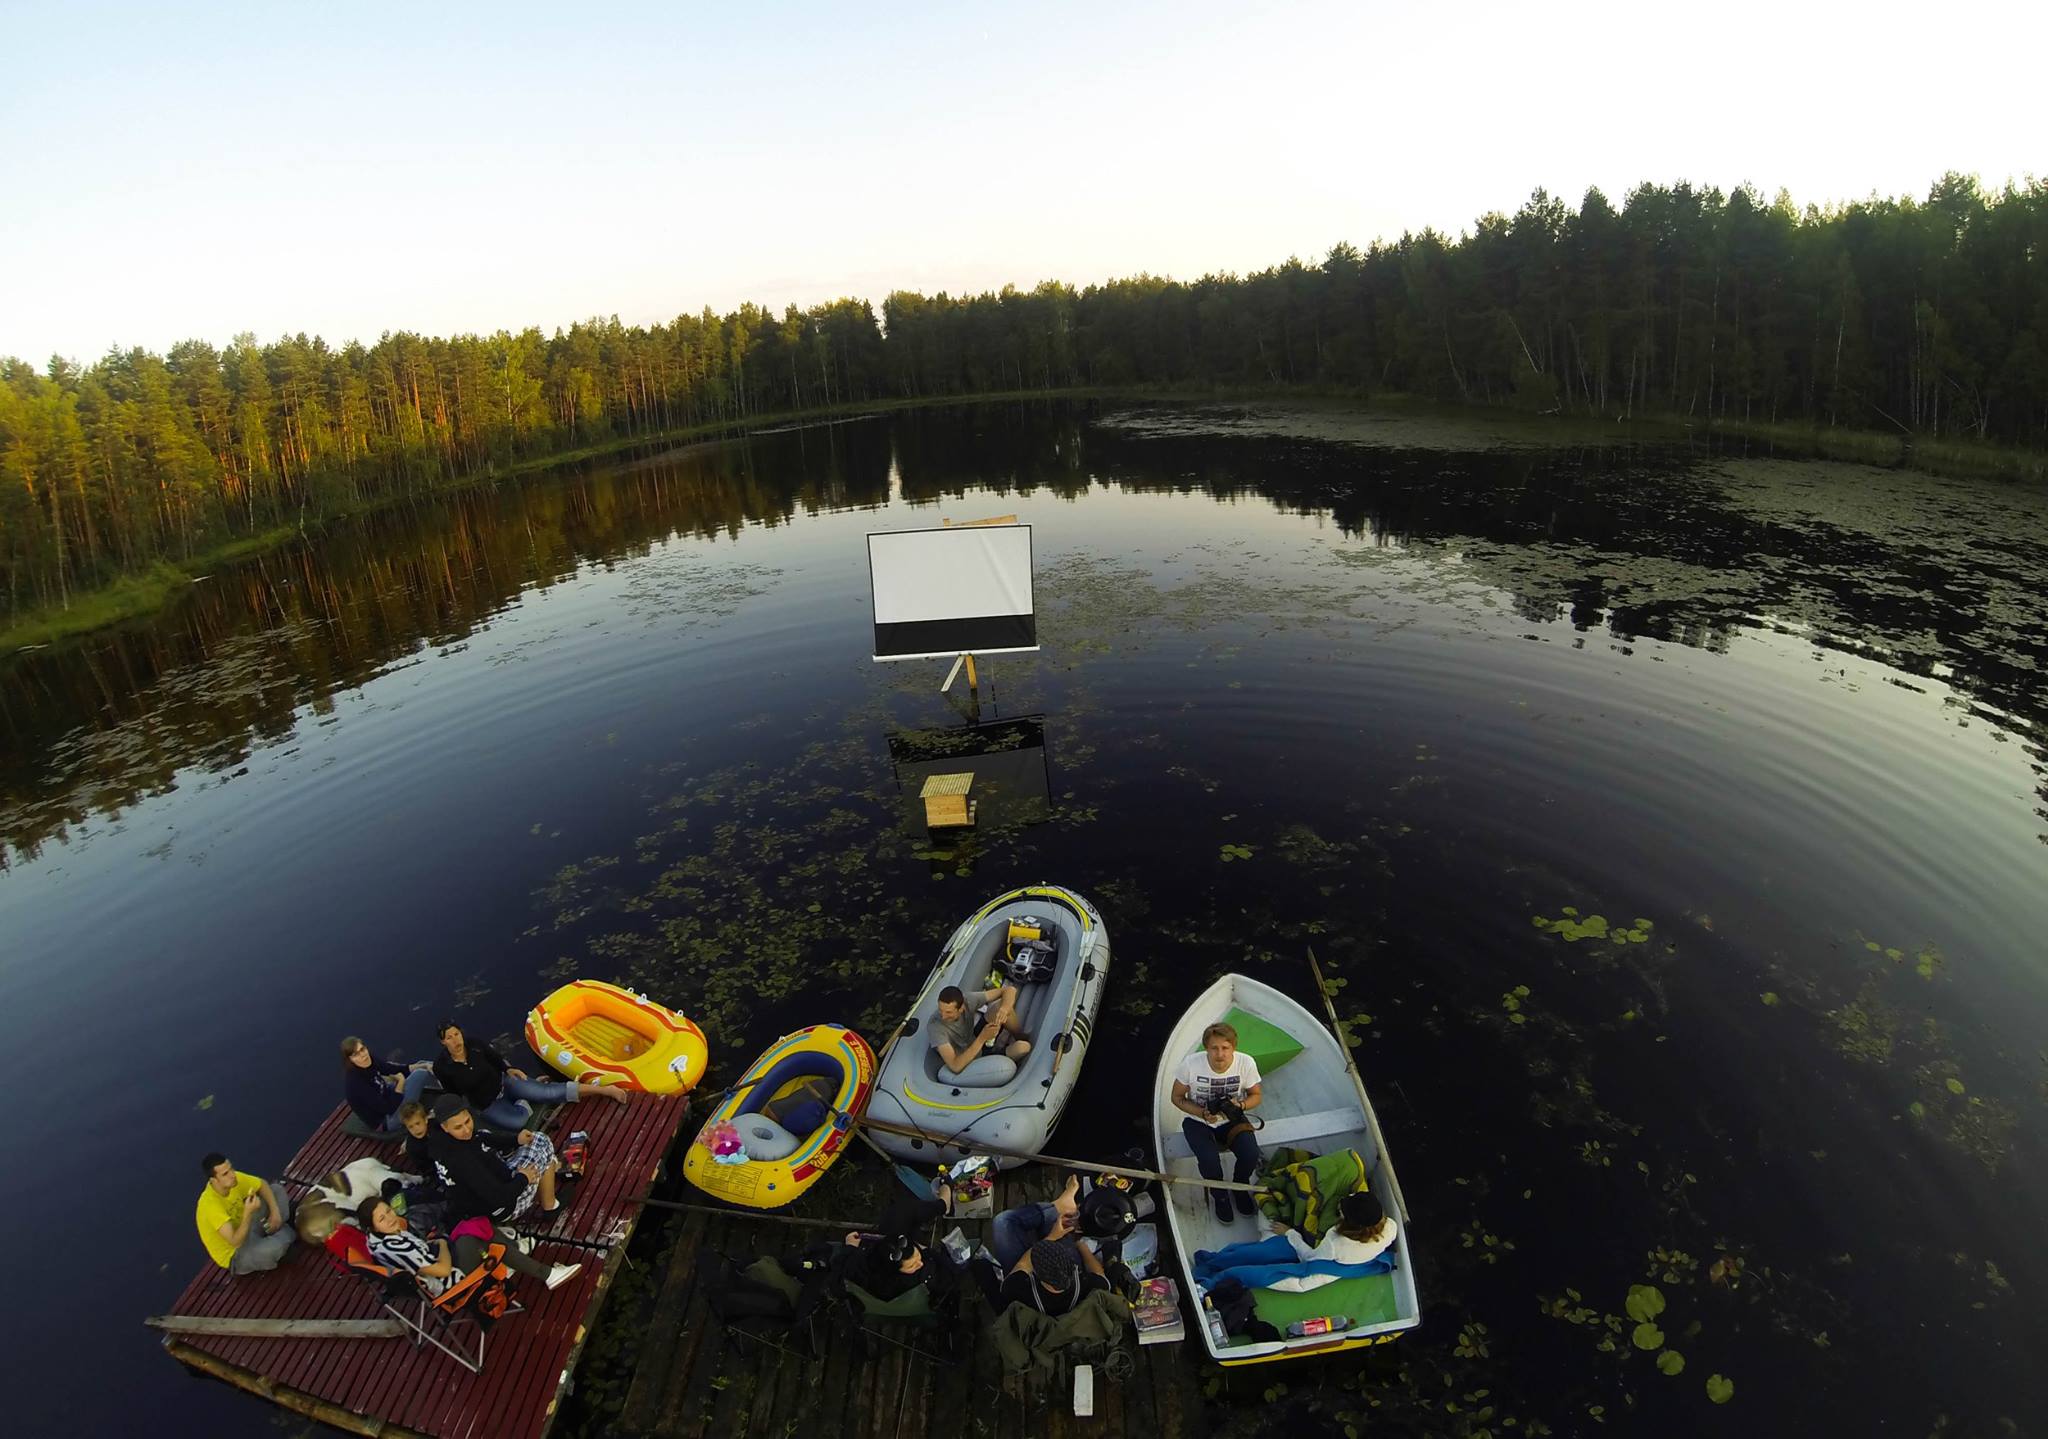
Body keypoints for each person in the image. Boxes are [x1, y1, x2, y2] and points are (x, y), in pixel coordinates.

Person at [432, 1020, 626, 1134]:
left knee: (549, 1092)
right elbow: (451, 1094)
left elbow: (495, 1058)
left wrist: (509, 1070)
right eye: (449, 1038)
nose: (456, 1040)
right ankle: (523, 1101)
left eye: (457, 1034)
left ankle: (605, 1090)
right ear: (442, 1042)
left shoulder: (474, 1044)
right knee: (517, 1123)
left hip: (503, 1083)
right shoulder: (442, 1067)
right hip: (487, 1104)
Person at [357, 1196, 581, 1293]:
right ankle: (546, 1273)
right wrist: (443, 1245)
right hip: (451, 1281)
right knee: (478, 1235)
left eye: (388, 1210)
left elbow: (422, 1254)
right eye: (382, 1218)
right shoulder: (396, 1248)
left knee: (475, 1226)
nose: (391, 1217)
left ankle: (516, 1256)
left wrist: (434, 1243)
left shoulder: (379, 1242)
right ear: (373, 1227)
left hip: (439, 1262)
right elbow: (442, 1270)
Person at [1170, 1021, 1265, 1223]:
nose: (1220, 1054)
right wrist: (1201, 1112)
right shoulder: (1190, 1064)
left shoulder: (1245, 1063)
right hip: (1197, 1120)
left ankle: (1240, 1186)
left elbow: (1256, 1095)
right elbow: (1177, 1098)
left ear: (1233, 1048)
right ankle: (1220, 1194)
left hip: (1232, 1116)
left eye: (1225, 1048)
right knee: (1209, 1160)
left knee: (1250, 1154)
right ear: (1206, 1048)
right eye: (1214, 1048)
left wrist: (1240, 1106)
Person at [425, 1094, 569, 1224]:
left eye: (467, 1121)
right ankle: (550, 1207)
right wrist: (523, 1178)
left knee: (535, 1146)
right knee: (541, 1142)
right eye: (458, 1127)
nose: (466, 1129)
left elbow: (481, 1138)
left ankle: (547, 1173)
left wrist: (516, 1140)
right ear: (445, 1127)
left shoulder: (443, 1142)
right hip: (501, 1208)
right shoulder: (462, 1160)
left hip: (483, 1195)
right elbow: (500, 1197)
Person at [195, 1153, 295, 1274]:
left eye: (231, 1168)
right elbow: (235, 1241)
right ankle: (283, 1232)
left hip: (249, 1227)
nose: (232, 1175)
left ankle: (276, 1230)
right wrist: (248, 1212)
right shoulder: (210, 1206)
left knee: (276, 1190)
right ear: (213, 1180)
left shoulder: (233, 1180)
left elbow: (262, 1184)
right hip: (237, 1253)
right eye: (225, 1174)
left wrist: (275, 1212)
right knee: (273, 1249)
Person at [1272, 1190, 1398, 1267]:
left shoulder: (1335, 1243)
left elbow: (1309, 1257)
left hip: (1339, 1260)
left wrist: (1289, 1233)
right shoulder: (1391, 1227)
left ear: (1349, 1223)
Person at [929, 983, 1032, 1076]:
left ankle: (1019, 1035)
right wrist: (983, 1037)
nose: (943, 1016)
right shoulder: (936, 1027)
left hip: (975, 1038)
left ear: (961, 1009)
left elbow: (1009, 990)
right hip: (970, 1061)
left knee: (999, 1006)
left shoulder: (968, 1000)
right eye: (940, 1010)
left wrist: (1004, 1009)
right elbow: (955, 1065)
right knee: (1023, 1047)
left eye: (948, 1012)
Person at [991, 1238, 1109, 1317]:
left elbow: (1022, 1265)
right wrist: (1080, 1244)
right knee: (1068, 1240)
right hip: (1068, 1322)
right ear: (1072, 1266)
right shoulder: (1087, 1285)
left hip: (1037, 1320)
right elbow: (1100, 1275)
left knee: (1002, 1221)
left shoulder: (1017, 1289)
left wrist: (1052, 1236)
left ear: (1035, 1273)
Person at [341, 1036, 435, 1133]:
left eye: (362, 1049)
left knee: (423, 1064)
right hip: (386, 1119)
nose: (363, 1055)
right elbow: (388, 1108)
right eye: (356, 1054)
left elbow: (391, 1068)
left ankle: (446, 1076)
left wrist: (422, 1065)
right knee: (420, 1074)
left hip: (388, 1094)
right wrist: (401, 1082)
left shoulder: (369, 1059)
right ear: (350, 1060)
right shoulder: (356, 1084)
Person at [990, 1173, 1081, 1268]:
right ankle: (1059, 1210)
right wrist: (1080, 1244)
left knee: (1003, 1222)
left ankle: (1058, 1208)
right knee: (1061, 1225)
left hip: (1029, 1274)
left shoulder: (1015, 1281)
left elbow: (1021, 1267)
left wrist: (1051, 1238)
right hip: (1073, 1273)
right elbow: (1098, 1273)